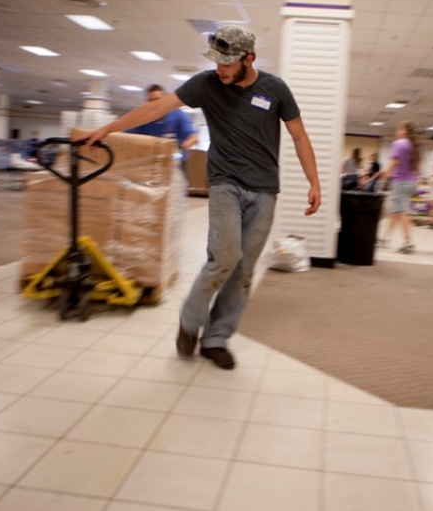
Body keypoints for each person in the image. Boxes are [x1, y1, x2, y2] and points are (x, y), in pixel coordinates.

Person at [76, 25, 321, 369]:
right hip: (225, 183)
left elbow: (299, 136)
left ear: (248, 59)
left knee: (244, 270)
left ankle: (216, 338)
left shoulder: (275, 89)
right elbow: (155, 109)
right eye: (216, 61)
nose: (220, 68)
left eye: (228, 62)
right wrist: (106, 129)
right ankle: (190, 322)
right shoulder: (206, 84)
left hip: (265, 190)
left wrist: (314, 182)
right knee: (223, 257)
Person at [127, 84, 198, 173]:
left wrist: (180, 147)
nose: (155, 104)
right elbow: (127, 137)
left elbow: (193, 137)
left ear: (165, 100)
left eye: (158, 100)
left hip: (176, 163)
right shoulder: (143, 117)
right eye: (151, 101)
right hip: (150, 162)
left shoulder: (179, 115)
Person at [379, 121, 420, 254]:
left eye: (399, 129)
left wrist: (386, 174)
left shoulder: (399, 143)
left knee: (402, 213)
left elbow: (395, 162)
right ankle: (385, 238)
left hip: (400, 182)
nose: (396, 131)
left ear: (404, 130)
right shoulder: (413, 145)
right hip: (411, 182)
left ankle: (409, 243)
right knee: (396, 211)